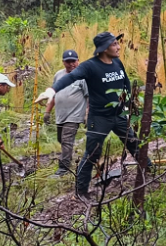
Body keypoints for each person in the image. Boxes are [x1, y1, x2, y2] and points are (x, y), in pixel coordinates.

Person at [34, 32, 152, 200]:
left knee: (133, 144)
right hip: (99, 119)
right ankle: (81, 192)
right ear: (104, 48)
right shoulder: (90, 66)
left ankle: (150, 171)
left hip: (118, 116)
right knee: (92, 154)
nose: (118, 47)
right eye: (114, 45)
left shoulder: (117, 62)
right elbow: (71, 77)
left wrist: (130, 104)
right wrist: (51, 91)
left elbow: (125, 82)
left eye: (117, 44)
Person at [44, 50, 89, 177]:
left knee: (66, 140)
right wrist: (47, 112)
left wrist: (87, 113)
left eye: (73, 61)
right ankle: (69, 156)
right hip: (60, 115)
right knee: (62, 139)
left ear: (78, 61)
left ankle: (63, 169)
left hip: (74, 115)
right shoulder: (58, 75)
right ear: (63, 62)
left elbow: (89, 96)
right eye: (68, 62)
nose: (71, 64)